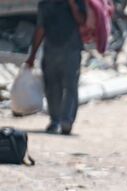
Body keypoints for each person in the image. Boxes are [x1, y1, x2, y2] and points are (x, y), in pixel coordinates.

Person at [26, 0, 87, 135]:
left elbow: (81, 20)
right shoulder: (45, 4)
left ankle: (67, 121)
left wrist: (72, 5)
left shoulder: (76, 2)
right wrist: (32, 55)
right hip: (50, 51)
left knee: (70, 86)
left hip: (71, 50)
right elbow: (40, 28)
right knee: (52, 88)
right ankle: (55, 120)